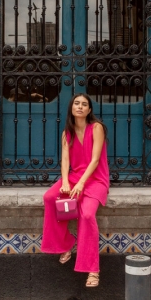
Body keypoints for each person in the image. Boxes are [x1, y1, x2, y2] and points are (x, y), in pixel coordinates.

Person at [41, 93, 110, 288]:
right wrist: (65, 182)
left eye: (84, 104)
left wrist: (80, 184)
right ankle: (65, 243)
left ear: (89, 110)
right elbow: (65, 160)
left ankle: (93, 269)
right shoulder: (67, 133)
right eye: (77, 103)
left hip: (95, 179)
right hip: (74, 176)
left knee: (87, 215)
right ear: (72, 108)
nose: (80, 107)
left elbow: (96, 160)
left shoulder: (97, 128)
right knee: (50, 197)